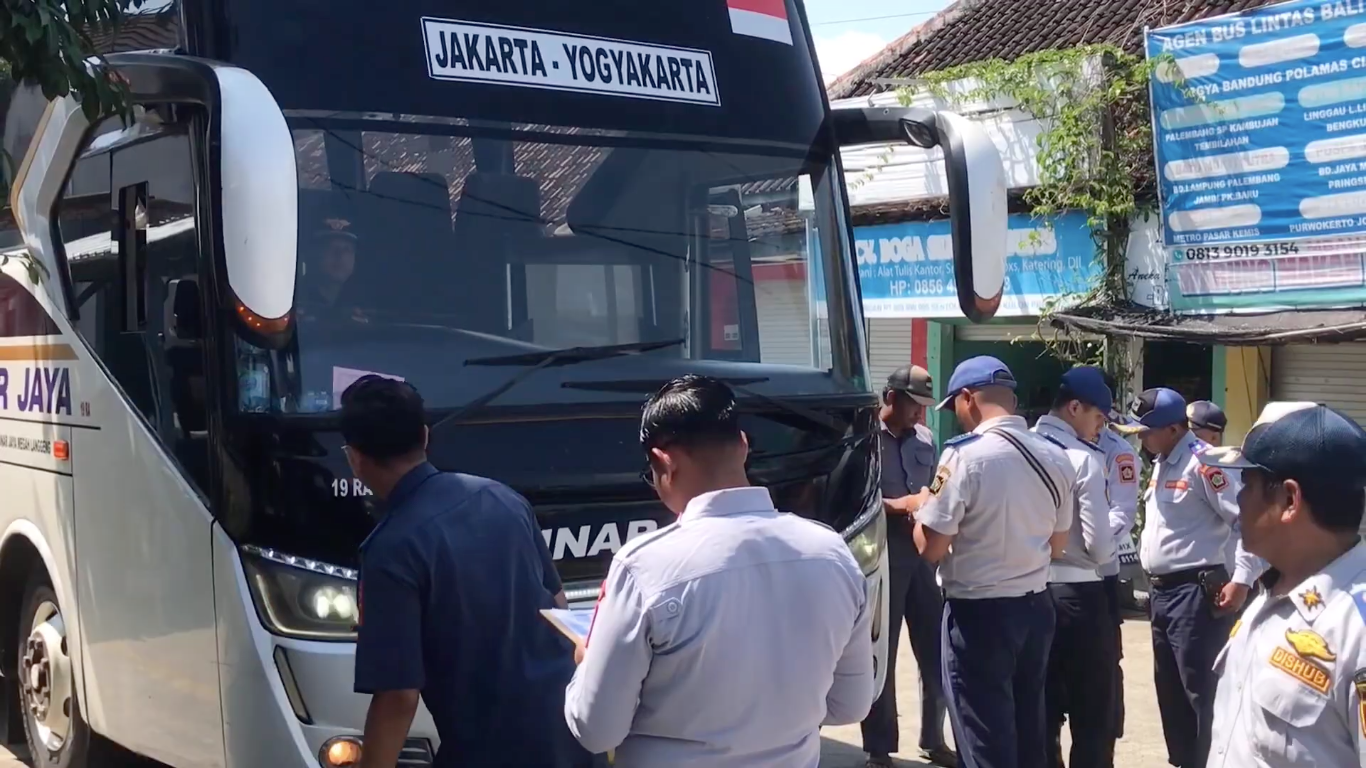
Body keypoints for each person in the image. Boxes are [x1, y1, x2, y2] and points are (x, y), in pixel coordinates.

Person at [564, 375, 874, 767]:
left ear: (665, 463)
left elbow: (596, 730)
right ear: (742, 446)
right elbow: (850, 705)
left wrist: (587, 662)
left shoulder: (643, 568)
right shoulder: (832, 553)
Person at [340, 375, 588, 768]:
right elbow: (560, 609)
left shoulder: (390, 549)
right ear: (424, 437)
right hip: (573, 735)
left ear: (354, 458)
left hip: (491, 750)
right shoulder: (502, 497)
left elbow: (398, 695)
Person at [911, 356, 1074, 768]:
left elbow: (930, 547)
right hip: (1036, 609)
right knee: (1028, 729)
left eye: (955, 405)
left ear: (968, 398)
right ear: (1012, 400)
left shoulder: (962, 456)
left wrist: (921, 509)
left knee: (984, 736)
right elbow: (1057, 546)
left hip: (978, 616)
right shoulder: (1056, 455)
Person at [1200, 402, 1366, 766]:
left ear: (1289, 500)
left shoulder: (1356, 628)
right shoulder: (1271, 592)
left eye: (1248, 483)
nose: (1238, 498)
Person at [1131, 387, 1265, 768]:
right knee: (1170, 692)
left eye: (1148, 431)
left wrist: (1242, 579)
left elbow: (1246, 520)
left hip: (1195, 594)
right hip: (1161, 595)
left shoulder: (1204, 463)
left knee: (1202, 693)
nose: (1142, 438)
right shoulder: (1163, 462)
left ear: (1174, 429)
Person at [862, 366, 956, 768]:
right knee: (882, 653)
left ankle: (933, 739)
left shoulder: (925, 439)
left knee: (937, 651)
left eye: (924, 406)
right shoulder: (865, 439)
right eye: (914, 405)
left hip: (923, 558)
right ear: (891, 398)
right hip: (882, 557)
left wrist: (930, 502)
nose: (920, 413)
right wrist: (902, 505)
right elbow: (858, 499)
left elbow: (935, 486)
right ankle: (879, 748)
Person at [1033, 366, 1118, 768]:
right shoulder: (1084, 459)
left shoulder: (1021, 449)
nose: (1100, 427)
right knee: (1092, 711)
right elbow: (1100, 547)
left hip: (1030, 592)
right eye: (1098, 417)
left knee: (1041, 705)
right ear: (1074, 408)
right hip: (1080, 595)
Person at [1098, 373, 1141, 767]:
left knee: (1104, 668)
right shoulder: (1047, 442)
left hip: (1100, 575)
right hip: (1047, 576)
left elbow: (1123, 513)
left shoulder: (1118, 451)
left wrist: (1085, 542)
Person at [299, 216, 368, 323]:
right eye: (330, 247)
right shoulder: (294, 300)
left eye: (347, 249)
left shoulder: (364, 303)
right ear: (312, 256)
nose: (340, 255)